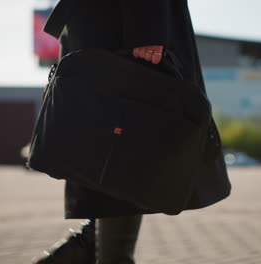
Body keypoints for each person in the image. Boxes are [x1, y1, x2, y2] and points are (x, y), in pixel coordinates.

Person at [32, 0, 231, 263]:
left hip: (117, 23)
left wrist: (147, 27)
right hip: (117, 24)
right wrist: (146, 27)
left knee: (116, 151)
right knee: (118, 151)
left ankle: (95, 244)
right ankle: (100, 246)